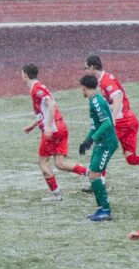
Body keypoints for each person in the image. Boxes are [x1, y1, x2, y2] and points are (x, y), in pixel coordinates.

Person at [21, 64, 89, 201]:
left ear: (25, 76)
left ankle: (55, 194)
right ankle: (91, 174)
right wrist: (33, 125)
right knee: (60, 163)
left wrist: (47, 126)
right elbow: (44, 111)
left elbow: (51, 105)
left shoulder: (36, 89)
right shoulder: (37, 87)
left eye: (21, 74)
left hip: (54, 129)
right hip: (61, 126)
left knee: (43, 162)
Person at [84, 55, 139, 169]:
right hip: (125, 118)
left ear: (92, 67)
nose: (85, 71)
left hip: (122, 120)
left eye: (85, 68)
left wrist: (113, 119)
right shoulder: (102, 80)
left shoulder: (106, 81)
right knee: (131, 158)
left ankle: (96, 178)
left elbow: (117, 97)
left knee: (102, 145)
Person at [79, 74, 117, 222]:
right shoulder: (94, 100)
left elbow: (107, 123)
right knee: (93, 174)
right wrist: (86, 141)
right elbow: (95, 126)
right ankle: (102, 208)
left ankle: (106, 210)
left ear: (84, 87)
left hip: (107, 143)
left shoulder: (97, 101)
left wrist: (92, 139)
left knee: (94, 175)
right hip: (100, 142)